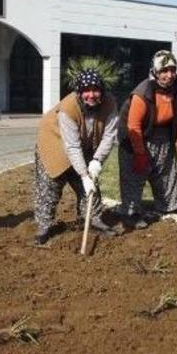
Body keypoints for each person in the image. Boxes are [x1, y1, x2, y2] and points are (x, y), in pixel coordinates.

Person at [32, 67, 121, 246]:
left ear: (102, 91)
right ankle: (44, 225)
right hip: (55, 140)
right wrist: (82, 174)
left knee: (90, 186)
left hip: (85, 143)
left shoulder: (110, 103)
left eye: (96, 89)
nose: (91, 94)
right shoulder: (68, 108)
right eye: (86, 90)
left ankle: (93, 219)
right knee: (51, 182)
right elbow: (71, 146)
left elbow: (109, 136)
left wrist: (97, 160)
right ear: (79, 92)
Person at [117, 49, 177, 229]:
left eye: (172, 70)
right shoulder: (142, 93)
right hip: (134, 136)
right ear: (155, 72)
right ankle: (131, 212)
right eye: (164, 71)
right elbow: (133, 125)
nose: (169, 75)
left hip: (163, 132)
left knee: (166, 169)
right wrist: (139, 153)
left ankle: (169, 206)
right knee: (135, 173)